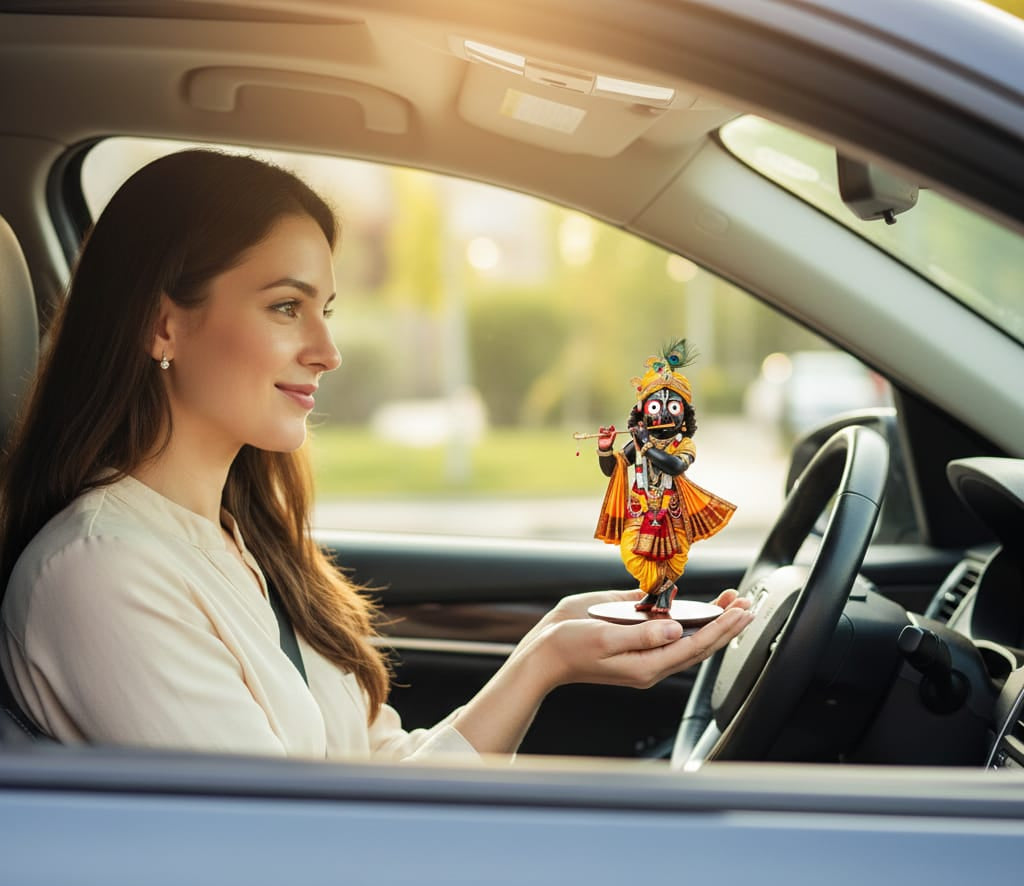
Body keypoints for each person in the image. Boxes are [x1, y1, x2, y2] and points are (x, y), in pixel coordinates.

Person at [0, 150, 753, 761]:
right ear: (162, 325)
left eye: (325, 312)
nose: (327, 352)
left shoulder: (243, 542)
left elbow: (379, 788)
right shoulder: (102, 572)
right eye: (285, 307)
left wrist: (545, 657)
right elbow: (292, 863)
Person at [594, 339, 737, 615]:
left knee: (670, 559)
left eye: (671, 407)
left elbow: (675, 466)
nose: (661, 414)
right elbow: (614, 471)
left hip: (673, 514)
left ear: (683, 415)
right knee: (634, 555)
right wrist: (604, 449)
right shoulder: (637, 443)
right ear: (642, 413)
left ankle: (659, 591)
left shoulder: (683, 445)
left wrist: (646, 445)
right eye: (654, 408)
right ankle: (661, 589)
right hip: (639, 510)